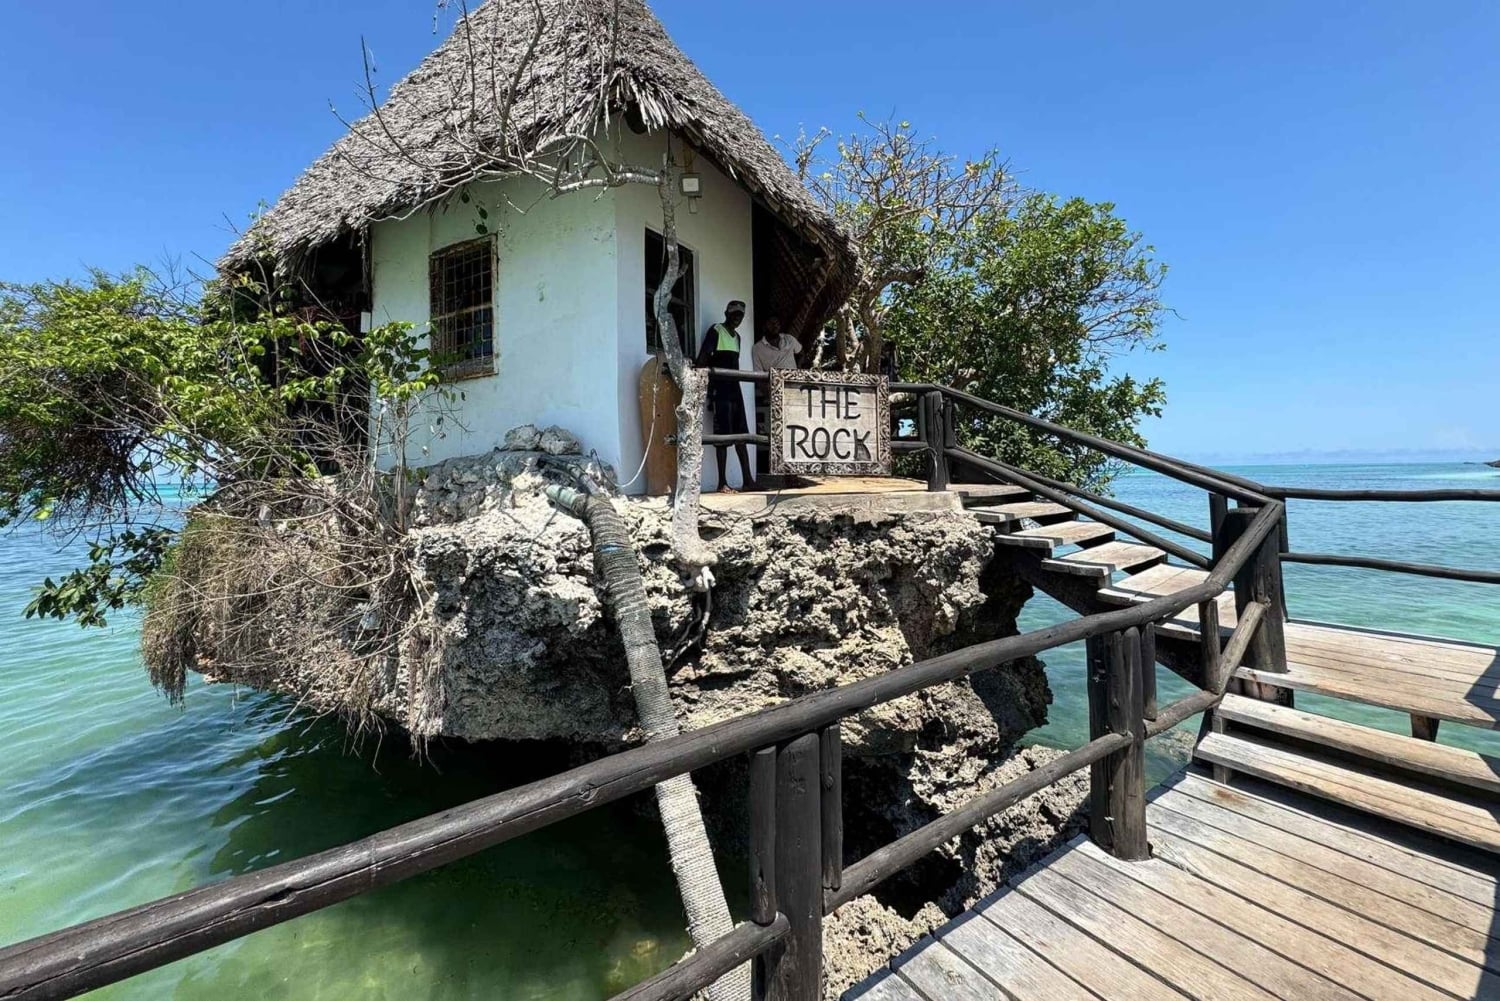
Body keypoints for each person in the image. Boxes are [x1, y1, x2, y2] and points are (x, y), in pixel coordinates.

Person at [695, 300, 758, 492]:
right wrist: (706, 388)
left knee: (741, 434)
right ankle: (721, 482)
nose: (737, 317)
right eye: (734, 313)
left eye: (740, 314)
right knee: (722, 436)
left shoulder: (738, 337)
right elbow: (703, 359)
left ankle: (748, 479)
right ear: (726, 313)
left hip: (735, 389)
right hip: (720, 390)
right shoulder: (716, 331)